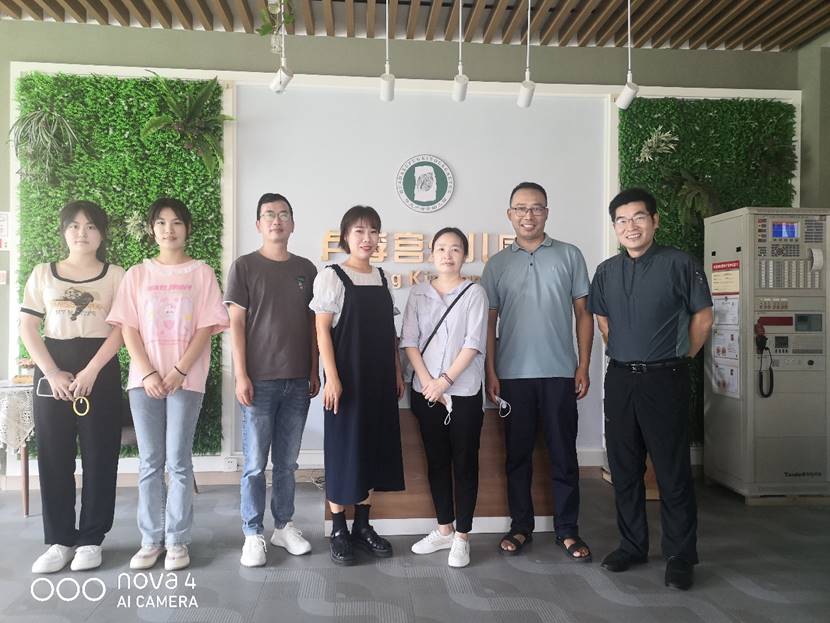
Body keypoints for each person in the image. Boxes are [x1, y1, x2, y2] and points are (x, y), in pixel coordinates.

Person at [588, 188, 713, 590]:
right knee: (624, 469)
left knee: (672, 471)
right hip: (621, 378)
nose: (631, 226)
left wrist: (681, 356)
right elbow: (603, 321)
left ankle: (680, 555)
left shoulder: (680, 263)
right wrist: (627, 353)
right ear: (615, 227)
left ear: (655, 221)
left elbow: (703, 318)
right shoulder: (606, 271)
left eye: (639, 217)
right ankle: (632, 546)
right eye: (622, 220)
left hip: (666, 378)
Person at [108, 197, 228, 572]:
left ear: (187, 228)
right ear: (151, 229)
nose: (168, 229)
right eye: (161, 222)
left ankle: (177, 540)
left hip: (186, 379)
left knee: (177, 460)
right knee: (149, 462)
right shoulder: (137, 275)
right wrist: (147, 373)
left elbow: (206, 327)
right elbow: (128, 328)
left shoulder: (202, 273)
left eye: (176, 222)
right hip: (143, 381)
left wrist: (178, 370)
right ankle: (150, 540)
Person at [481, 181, 594, 561]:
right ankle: (520, 526)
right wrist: (491, 371)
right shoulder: (497, 264)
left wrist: (583, 364)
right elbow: (488, 322)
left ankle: (568, 530)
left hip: (560, 373)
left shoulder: (569, 255)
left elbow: (583, 314)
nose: (528, 215)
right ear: (509, 214)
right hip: (512, 376)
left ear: (547, 212)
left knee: (564, 455)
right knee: (517, 457)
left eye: (536, 208)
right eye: (521, 208)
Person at [22, 201, 125, 574]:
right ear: (64, 231)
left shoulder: (116, 275)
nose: (82, 232)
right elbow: (28, 328)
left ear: (102, 233)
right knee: (54, 456)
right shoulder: (42, 274)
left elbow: (122, 329)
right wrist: (51, 372)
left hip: (100, 368)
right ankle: (60, 540)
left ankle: (91, 539)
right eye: (75, 226)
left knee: (100, 455)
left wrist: (92, 370)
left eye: (91, 226)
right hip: (53, 367)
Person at [225, 193, 319, 567]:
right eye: (269, 215)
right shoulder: (244, 266)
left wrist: (314, 369)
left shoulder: (306, 269)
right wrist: (241, 374)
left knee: (287, 463)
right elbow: (236, 323)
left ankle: (283, 526)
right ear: (258, 224)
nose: (276, 220)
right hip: (259, 381)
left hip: (297, 381)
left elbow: (314, 325)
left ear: (292, 223)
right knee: (253, 464)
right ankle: (252, 533)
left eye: (283, 214)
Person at [310, 205, 405, 566]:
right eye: (359, 231)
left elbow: (390, 334)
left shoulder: (382, 277)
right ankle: (339, 528)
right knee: (343, 451)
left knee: (372, 450)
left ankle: (363, 526)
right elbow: (321, 330)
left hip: (379, 380)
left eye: (373, 232)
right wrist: (332, 378)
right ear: (346, 237)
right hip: (346, 381)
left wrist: (397, 371)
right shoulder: (332, 276)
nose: (367, 239)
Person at [401, 227, 488, 568]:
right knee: (436, 462)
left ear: (465, 255)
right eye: (441, 248)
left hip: (463, 392)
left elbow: (473, 343)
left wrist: (445, 381)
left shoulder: (474, 293)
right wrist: (429, 383)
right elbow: (409, 340)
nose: (447, 255)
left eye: (455, 249)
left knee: (464, 463)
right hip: (426, 393)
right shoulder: (418, 293)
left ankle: (462, 537)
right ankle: (443, 529)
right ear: (432, 254)